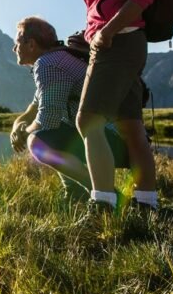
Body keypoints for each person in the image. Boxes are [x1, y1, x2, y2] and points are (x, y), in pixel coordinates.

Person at [77, 0, 158, 212]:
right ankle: (146, 204)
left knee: (88, 120)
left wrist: (106, 32)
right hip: (119, 43)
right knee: (129, 126)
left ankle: (103, 204)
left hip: (119, 44)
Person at [9, 17, 128, 200]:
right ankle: (75, 191)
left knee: (38, 141)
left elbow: (48, 120)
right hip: (120, 139)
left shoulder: (48, 64)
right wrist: (17, 126)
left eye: (17, 43)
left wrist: (25, 134)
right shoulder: (59, 58)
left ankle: (104, 193)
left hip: (110, 141)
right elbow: (33, 108)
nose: (14, 49)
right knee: (53, 134)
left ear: (31, 44)